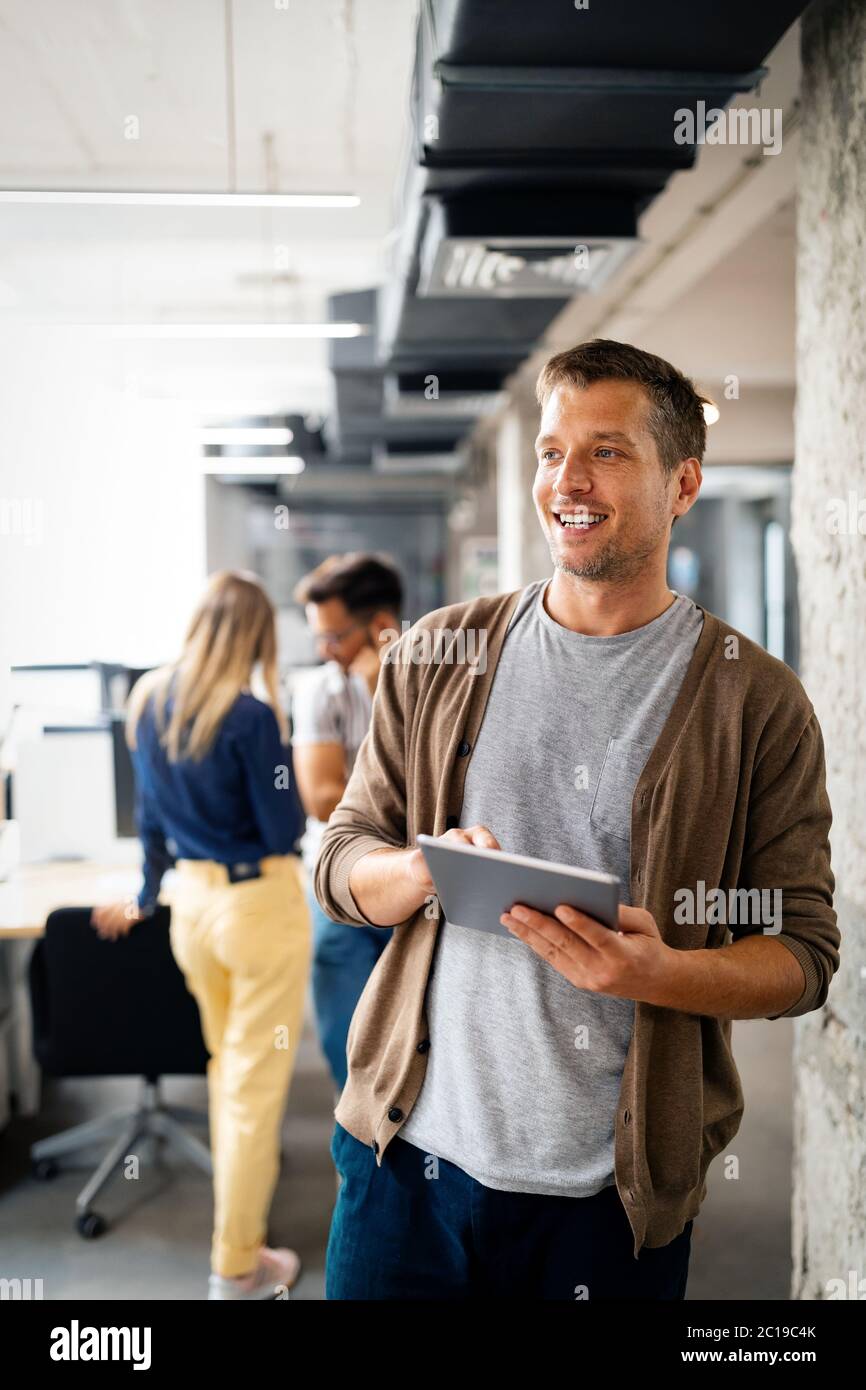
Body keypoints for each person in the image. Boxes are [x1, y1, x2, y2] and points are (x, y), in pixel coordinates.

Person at [314, 339, 841, 1301]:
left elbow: (801, 953)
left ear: (682, 484)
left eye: (607, 451)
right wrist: (423, 872)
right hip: (404, 1165)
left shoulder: (755, 701)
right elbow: (343, 860)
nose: (569, 479)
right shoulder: (438, 656)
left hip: (608, 1202)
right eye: (553, 451)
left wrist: (663, 973)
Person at [92, 570, 311, 1301]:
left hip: (192, 910)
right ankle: (237, 1268)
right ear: (256, 636)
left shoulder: (147, 700)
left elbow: (150, 821)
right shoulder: (251, 716)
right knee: (252, 1091)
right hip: (257, 909)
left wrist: (145, 894)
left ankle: (240, 1241)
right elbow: (285, 828)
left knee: (229, 1075)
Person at [291, 553, 403, 1093]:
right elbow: (322, 799)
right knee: (348, 1039)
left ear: (382, 626)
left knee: (420, 1031)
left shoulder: (435, 683)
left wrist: (386, 690)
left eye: (335, 637)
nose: (323, 651)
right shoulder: (319, 690)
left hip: (417, 880)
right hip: (339, 880)